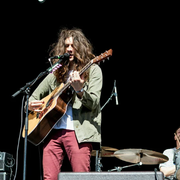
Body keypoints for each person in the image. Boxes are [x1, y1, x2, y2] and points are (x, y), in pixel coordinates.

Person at [28, 28, 103, 180]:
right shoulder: (56, 73)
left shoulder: (93, 70)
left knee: (81, 177)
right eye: (66, 46)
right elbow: (34, 96)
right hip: (52, 132)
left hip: (78, 133)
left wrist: (80, 90)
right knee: (49, 177)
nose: (69, 49)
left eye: (73, 46)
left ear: (80, 48)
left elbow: (94, 103)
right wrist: (29, 105)